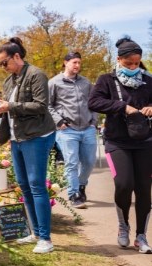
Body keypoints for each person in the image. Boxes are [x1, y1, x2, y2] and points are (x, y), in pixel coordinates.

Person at [87, 37, 152, 254]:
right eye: (128, 64)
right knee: (124, 184)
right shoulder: (106, 80)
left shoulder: (148, 80)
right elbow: (93, 103)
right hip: (117, 141)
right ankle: (123, 224)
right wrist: (121, 107)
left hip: (145, 141)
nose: (134, 67)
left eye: (136, 63)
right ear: (118, 59)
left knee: (144, 188)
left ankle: (141, 236)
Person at [0, 37, 56, 254]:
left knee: (37, 185)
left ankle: (46, 239)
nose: (2, 67)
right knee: (24, 186)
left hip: (36, 136)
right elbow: (10, 107)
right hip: (17, 138)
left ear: (17, 56)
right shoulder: (9, 80)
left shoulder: (36, 74)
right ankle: (36, 233)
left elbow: (40, 106)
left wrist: (11, 106)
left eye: (4, 62)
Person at [48, 51, 98, 209]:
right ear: (65, 63)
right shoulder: (54, 82)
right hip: (67, 130)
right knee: (71, 163)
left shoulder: (85, 82)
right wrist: (59, 121)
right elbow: (47, 105)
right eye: (74, 62)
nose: (77, 65)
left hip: (87, 128)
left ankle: (81, 185)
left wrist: (94, 122)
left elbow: (93, 103)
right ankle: (74, 194)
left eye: (79, 63)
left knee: (89, 162)